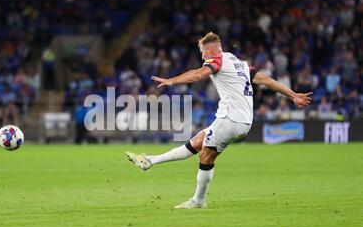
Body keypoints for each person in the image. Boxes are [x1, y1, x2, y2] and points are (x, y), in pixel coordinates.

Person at [126, 32, 312, 209]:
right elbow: (265, 80)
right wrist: (293, 94)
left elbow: (198, 74)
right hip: (241, 119)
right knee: (198, 141)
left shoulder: (217, 60)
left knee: (206, 155)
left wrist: (172, 81)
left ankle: (198, 201)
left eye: (202, 52)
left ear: (209, 51)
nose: (202, 56)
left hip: (231, 119)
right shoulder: (238, 62)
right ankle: (150, 160)